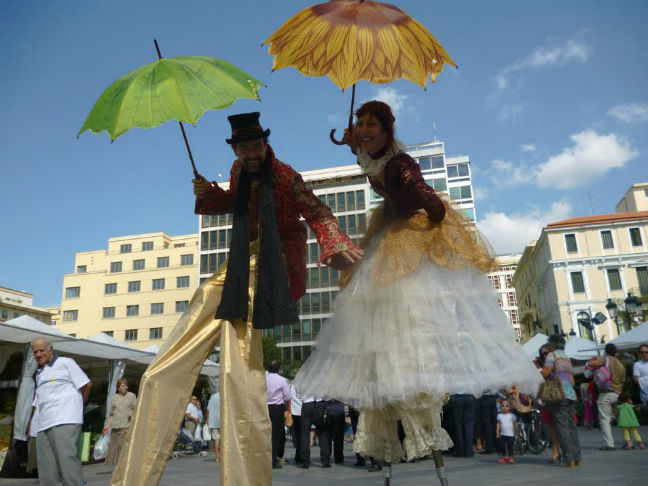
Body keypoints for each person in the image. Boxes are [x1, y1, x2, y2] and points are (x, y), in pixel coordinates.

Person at [294, 101, 543, 482]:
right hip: (390, 229)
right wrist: (353, 144)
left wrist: (420, 210)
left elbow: (432, 205)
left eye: (371, 124)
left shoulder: (401, 165)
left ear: (388, 128)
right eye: (360, 122)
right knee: (378, 313)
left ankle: (422, 431)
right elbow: (367, 160)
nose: (364, 128)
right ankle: (388, 442)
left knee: (406, 309)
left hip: (409, 231)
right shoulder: (375, 155)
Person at [112, 112, 361, 486]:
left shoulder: (286, 177)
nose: (250, 154)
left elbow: (318, 211)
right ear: (237, 150)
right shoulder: (237, 170)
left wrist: (336, 244)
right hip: (239, 261)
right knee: (161, 367)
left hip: (272, 264)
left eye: (255, 146)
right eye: (243, 148)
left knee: (237, 372)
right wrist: (208, 195)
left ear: (265, 144)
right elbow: (233, 203)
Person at [30, 337, 92, 486]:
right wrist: (32, 425)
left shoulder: (66, 363)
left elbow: (87, 384)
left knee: (67, 462)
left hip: (65, 419)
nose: (38, 354)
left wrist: (79, 406)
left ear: (51, 349)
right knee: (47, 470)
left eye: (41, 350)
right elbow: (39, 403)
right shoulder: (39, 373)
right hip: (43, 423)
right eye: (35, 351)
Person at [541, 334, 581, 467]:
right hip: (570, 394)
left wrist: (539, 372)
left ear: (552, 345)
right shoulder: (566, 358)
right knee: (571, 426)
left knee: (562, 427)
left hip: (559, 394)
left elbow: (546, 372)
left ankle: (568, 458)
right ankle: (577, 457)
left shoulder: (552, 356)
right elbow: (572, 379)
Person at [587, 343, 626, 450]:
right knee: (621, 419)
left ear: (606, 351)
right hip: (617, 393)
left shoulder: (606, 359)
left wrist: (593, 358)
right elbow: (623, 380)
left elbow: (591, 363)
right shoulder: (620, 364)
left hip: (606, 393)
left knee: (604, 419)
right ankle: (628, 441)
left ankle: (609, 444)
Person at [103, 378, 137, 466]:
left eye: (126, 385)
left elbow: (137, 409)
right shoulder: (114, 398)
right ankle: (120, 464)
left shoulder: (131, 396)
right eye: (123, 386)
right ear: (118, 388)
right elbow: (111, 414)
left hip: (127, 425)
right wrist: (106, 426)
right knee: (115, 447)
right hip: (115, 426)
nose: (125, 387)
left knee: (124, 446)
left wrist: (132, 414)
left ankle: (125, 464)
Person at [537, 343, 561, 463]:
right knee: (551, 427)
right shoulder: (543, 367)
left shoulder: (556, 363)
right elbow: (541, 384)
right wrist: (537, 398)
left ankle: (562, 451)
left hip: (558, 396)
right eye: (542, 354)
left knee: (561, 426)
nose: (545, 355)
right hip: (547, 397)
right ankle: (556, 452)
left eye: (546, 353)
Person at [265, 360, 290, 469]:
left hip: (264, 407)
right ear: (278, 369)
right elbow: (287, 396)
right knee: (276, 435)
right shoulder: (282, 380)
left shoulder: (263, 378)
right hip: (277, 408)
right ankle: (272, 459)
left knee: (265, 433)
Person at [496, 399, 517, 464]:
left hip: (510, 434)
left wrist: (516, 432)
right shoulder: (499, 415)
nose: (505, 407)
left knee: (510, 446)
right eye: (503, 406)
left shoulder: (512, 415)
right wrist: (497, 433)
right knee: (502, 446)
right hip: (502, 434)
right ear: (500, 407)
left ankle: (511, 457)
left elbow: (515, 424)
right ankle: (504, 457)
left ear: (510, 407)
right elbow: (498, 424)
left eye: (507, 405)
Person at [289, 384, 303, 465]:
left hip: (294, 411)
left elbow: (287, 397)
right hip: (302, 411)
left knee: (296, 435)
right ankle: (299, 455)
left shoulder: (291, 385)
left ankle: (298, 455)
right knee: (302, 435)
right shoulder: (303, 384)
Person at [206, 390, 221, 462]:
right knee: (224, 440)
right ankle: (223, 457)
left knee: (217, 439)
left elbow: (208, 409)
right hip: (224, 421)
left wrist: (208, 420)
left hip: (214, 421)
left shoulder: (213, 397)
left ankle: (217, 457)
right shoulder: (226, 396)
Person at [633, 343, 648, 408]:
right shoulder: (637, 364)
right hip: (646, 394)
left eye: (646, 352)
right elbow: (636, 380)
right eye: (642, 352)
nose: (644, 354)